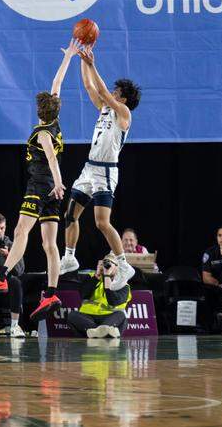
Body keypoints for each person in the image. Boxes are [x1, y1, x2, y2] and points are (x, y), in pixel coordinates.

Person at [0, 42, 78, 324]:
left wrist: (58, 183)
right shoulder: (56, 123)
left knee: (21, 231)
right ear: (56, 108)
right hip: (51, 190)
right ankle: (52, 291)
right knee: (49, 244)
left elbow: (53, 161)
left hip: (41, 185)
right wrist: (68, 56)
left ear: (38, 112)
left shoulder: (43, 133)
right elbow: (57, 82)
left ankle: (0, 276)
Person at [60, 47, 142, 290]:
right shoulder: (106, 108)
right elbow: (89, 87)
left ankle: (124, 263)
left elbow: (104, 92)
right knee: (70, 215)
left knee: (101, 223)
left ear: (124, 99)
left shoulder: (123, 113)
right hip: (89, 169)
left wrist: (93, 63)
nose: (113, 93)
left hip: (106, 171)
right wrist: (82, 60)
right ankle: (69, 256)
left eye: (118, 92)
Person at [65, 255, 131, 338]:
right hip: (88, 316)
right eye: (104, 264)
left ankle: (96, 332)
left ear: (117, 268)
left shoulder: (122, 285)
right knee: (72, 315)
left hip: (109, 317)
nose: (105, 267)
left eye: (109, 264)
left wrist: (107, 277)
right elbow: (83, 295)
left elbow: (113, 301)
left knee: (121, 315)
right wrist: (96, 277)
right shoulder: (92, 277)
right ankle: (102, 332)